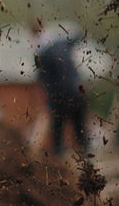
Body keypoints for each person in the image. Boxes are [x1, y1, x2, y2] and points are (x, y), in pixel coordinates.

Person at [30, 20, 88, 156]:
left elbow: (40, 81)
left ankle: (59, 160)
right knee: (80, 129)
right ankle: (87, 160)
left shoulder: (41, 55)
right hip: (78, 91)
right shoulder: (61, 43)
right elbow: (77, 37)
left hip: (59, 98)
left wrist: (45, 103)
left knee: (58, 131)